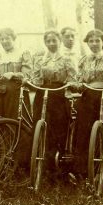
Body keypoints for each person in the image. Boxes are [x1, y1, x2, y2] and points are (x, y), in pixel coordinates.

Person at [73, 29, 103, 176]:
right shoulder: (83, 60)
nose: (94, 44)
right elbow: (79, 80)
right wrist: (78, 85)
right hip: (87, 98)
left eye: (97, 41)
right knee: (84, 133)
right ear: (87, 43)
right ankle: (84, 172)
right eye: (91, 41)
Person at [32, 30, 77, 173]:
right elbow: (37, 79)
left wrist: (68, 84)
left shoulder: (66, 59)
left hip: (59, 94)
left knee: (59, 128)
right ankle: (43, 165)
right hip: (43, 94)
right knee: (42, 126)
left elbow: (72, 77)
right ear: (45, 43)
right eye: (48, 41)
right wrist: (30, 82)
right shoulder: (40, 59)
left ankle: (61, 165)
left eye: (54, 40)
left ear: (59, 41)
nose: (51, 43)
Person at [0, 28, 33, 121]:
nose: (4, 41)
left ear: (13, 38)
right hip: (1, 92)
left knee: (14, 120)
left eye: (7, 38)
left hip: (17, 92)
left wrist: (13, 74)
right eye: (2, 39)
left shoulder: (23, 53)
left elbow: (27, 74)